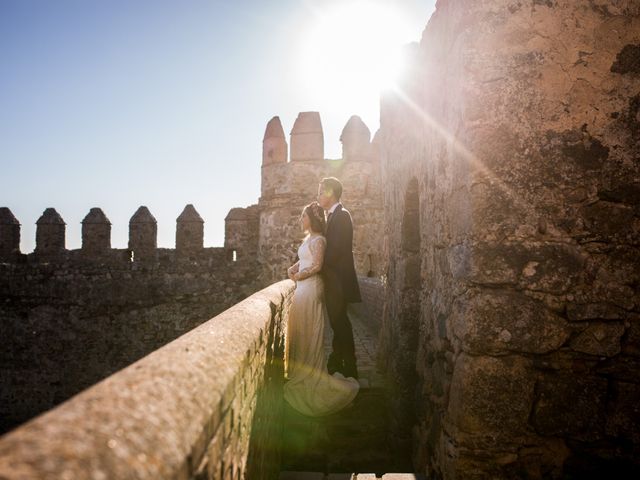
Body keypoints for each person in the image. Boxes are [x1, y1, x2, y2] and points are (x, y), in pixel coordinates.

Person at [284, 201, 359, 416]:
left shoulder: (320, 240)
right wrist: (293, 267)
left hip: (310, 288)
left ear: (312, 219)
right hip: (302, 288)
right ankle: (301, 369)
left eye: (304, 216)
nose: (301, 220)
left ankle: (311, 374)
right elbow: (304, 259)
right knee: (301, 328)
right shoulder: (309, 239)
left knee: (309, 329)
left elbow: (316, 266)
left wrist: (299, 275)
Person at [316, 177, 361, 379]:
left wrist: (316, 266)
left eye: (320, 192)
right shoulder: (333, 216)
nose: (317, 196)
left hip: (339, 281)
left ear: (329, 193)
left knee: (341, 323)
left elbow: (336, 250)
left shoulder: (342, 216)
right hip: (334, 280)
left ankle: (349, 366)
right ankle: (339, 361)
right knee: (338, 323)